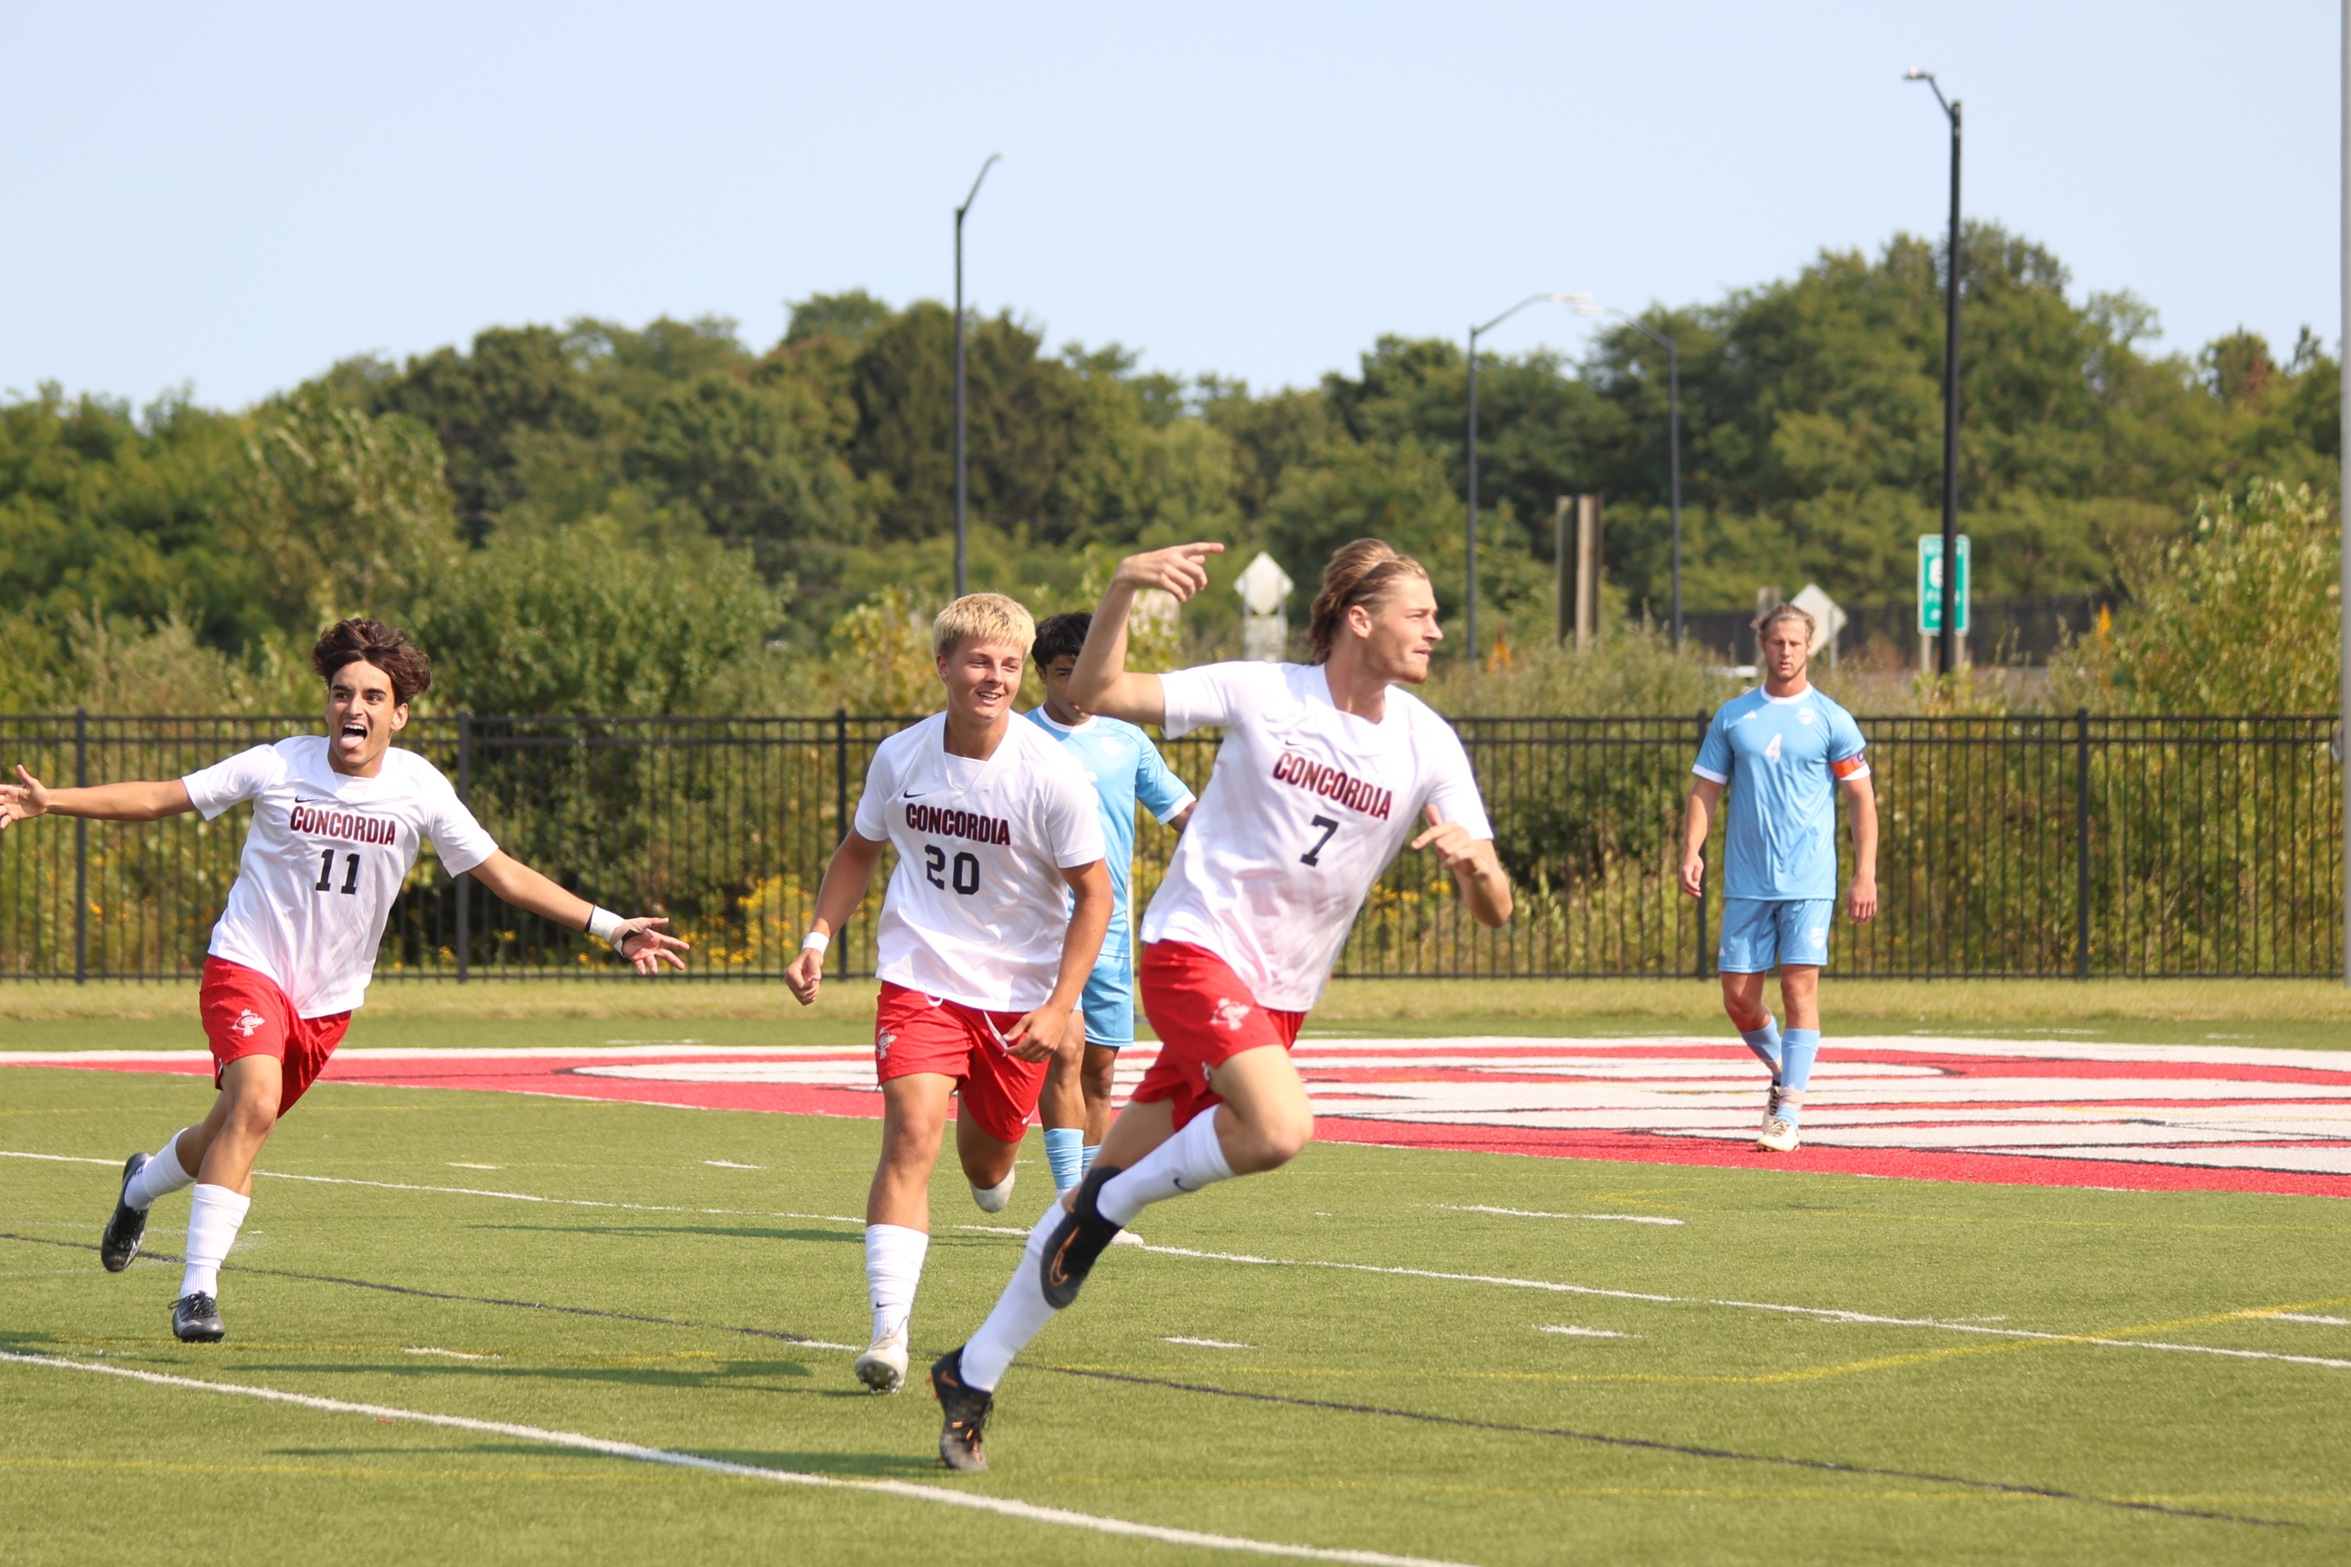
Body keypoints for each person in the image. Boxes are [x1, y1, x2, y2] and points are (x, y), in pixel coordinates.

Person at [927, 539, 1513, 1472]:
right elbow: (1105, 690)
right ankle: (1110, 1205)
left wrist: (1479, 867)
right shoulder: (1265, 691)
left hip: (1277, 999)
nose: (1437, 627)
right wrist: (1121, 584)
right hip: (1194, 951)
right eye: (1421, 610)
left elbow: (1497, 911)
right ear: (1359, 618)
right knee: (1278, 1126)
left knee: (1084, 1201)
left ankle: (972, 1369)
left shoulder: (1426, 739)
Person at [0, 618, 688, 1344]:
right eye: (340, 693)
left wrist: (613, 927)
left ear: (399, 712)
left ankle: (140, 1184)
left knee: (232, 1126)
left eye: (370, 695)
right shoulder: (278, 764)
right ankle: (196, 1290)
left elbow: (504, 874)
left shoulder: (420, 787)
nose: (351, 707)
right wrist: (54, 801)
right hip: (247, 965)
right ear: (326, 703)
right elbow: (159, 797)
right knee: (255, 1105)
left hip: (327, 1001)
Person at [785, 593, 1112, 1397]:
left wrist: (1060, 1002)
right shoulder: (899, 755)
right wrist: (816, 937)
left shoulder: (1052, 774)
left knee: (989, 1158)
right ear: (941, 665)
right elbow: (858, 850)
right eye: (977, 661)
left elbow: (1094, 895)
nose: (993, 677)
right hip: (919, 978)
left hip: (1015, 997)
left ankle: (995, 1158)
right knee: (909, 1133)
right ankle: (888, 1328)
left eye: (1008, 664)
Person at [1678, 602, 1879, 1153]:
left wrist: (1866, 874)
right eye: (1776, 642)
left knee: (1798, 987)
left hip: (1810, 880)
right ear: (1762, 645)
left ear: (1808, 646)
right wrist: (1692, 850)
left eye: (1795, 643)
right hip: (1746, 880)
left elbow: (1861, 799)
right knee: (1739, 998)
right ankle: (1784, 1070)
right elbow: (1705, 789)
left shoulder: (1832, 718)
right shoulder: (1733, 716)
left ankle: (1788, 1109)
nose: (1785, 651)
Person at [1022, 611, 1196, 1197]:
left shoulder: (1128, 740)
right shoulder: (1016, 740)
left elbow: (1182, 815)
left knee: (1100, 1068)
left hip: (1111, 930)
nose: (1077, 688)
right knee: (1064, 1052)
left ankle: (1089, 1198)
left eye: (1088, 672)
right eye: (1064, 673)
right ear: (1042, 673)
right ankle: (1068, 1202)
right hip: (1041, 928)